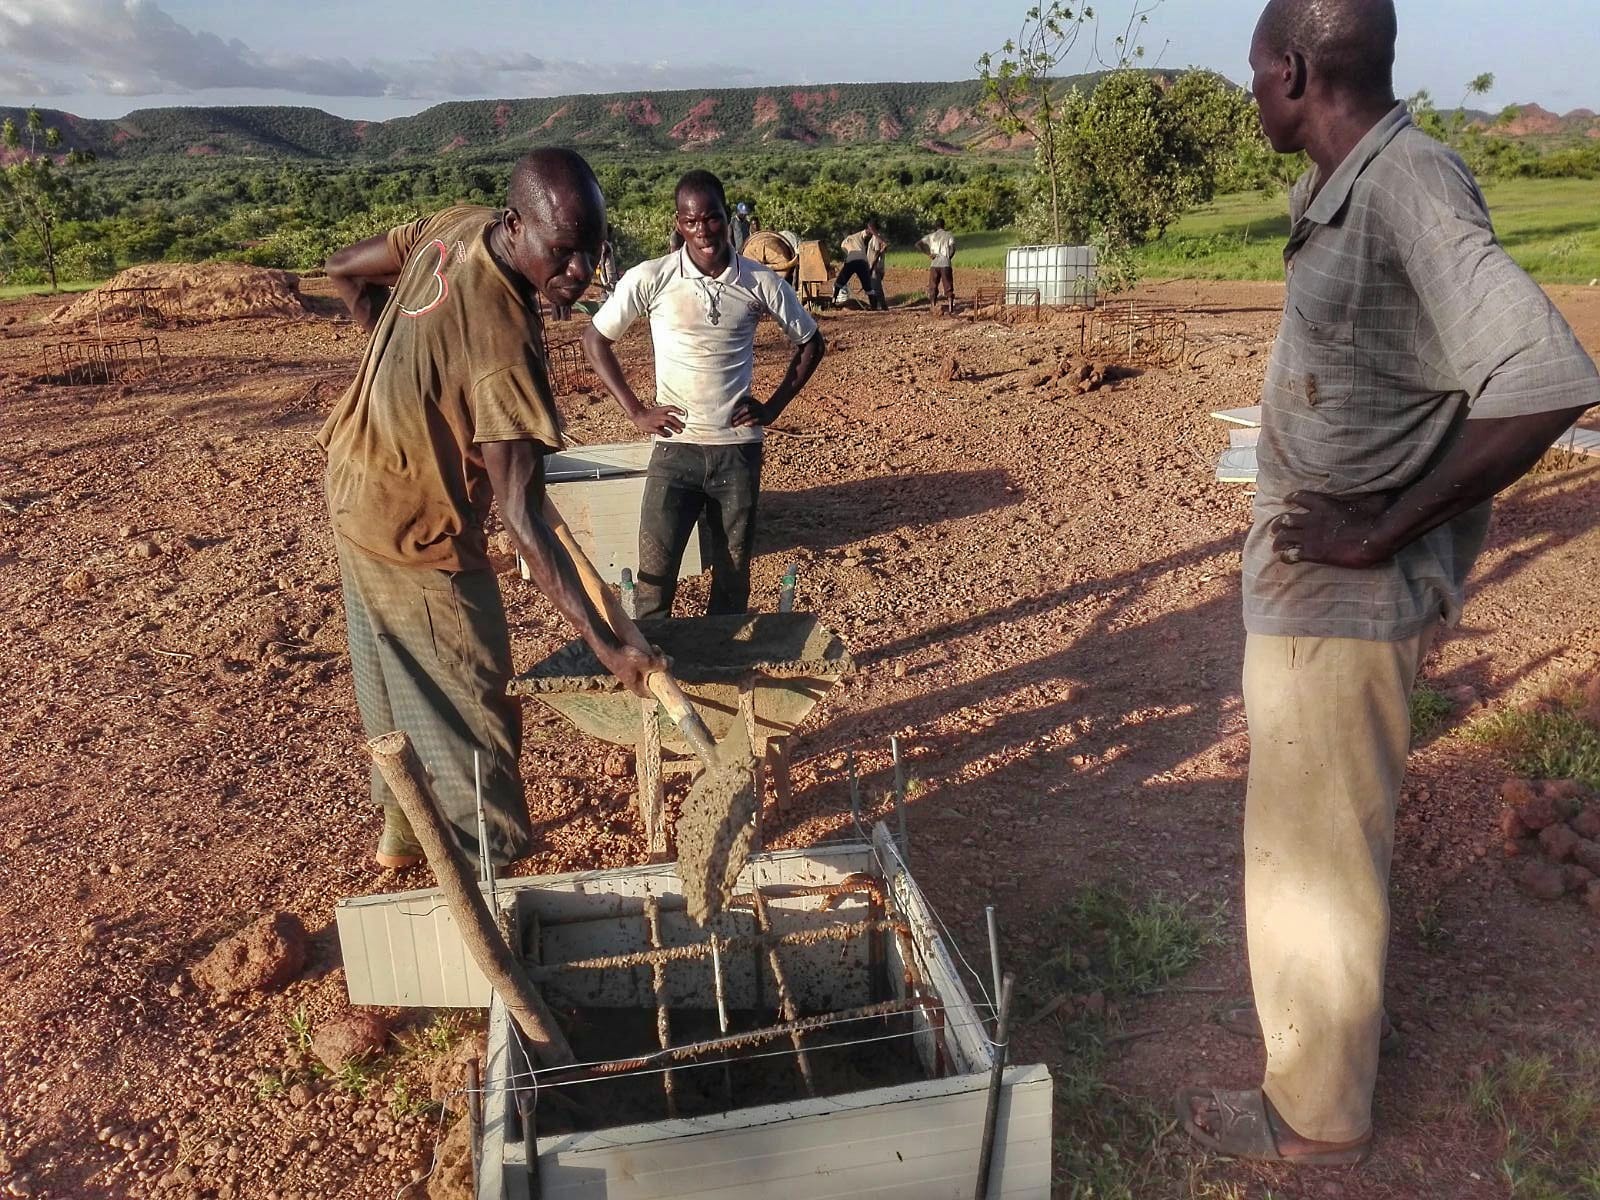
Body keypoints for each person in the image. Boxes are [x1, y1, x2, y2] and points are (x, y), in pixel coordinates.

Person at [1175, 0, 1599, 1166]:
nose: (1250, 89)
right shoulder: (1344, 188)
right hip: (1315, 605)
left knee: (1315, 859)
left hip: (1345, 609)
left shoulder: (1407, 183)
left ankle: (1311, 1120)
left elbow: (1546, 372)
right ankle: (1324, 1056)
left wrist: (1376, 528)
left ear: (1296, 68)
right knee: (1305, 845)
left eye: (1255, 69)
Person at [318, 149, 662, 871]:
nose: (580, 274)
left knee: (391, 679)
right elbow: (522, 518)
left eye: (592, 253)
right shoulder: (504, 348)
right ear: (516, 225)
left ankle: (406, 833)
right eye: (562, 254)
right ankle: (491, 871)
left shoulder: (454, 228)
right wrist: (609, 648)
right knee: (476, 709)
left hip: (353, 479)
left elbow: (343, 267)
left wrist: (403, 368)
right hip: (416, 525)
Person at [582, 170, 826, 620]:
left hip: (737, 454)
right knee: (655, 578)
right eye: (691, 222)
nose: (703, 232)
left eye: (711, 218)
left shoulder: (759, 281)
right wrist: (637, 411)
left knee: (732, 580)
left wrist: (771, 408)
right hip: (674, 452)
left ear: (726, 217)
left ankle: (723, 671)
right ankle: (658, 679)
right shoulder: (651, 277)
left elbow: (811, 343)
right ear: (679, 223)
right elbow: (595, 340)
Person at [833, 219, 888, 310]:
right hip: (863, 262)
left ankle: (833, 301)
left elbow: (848, 253)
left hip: (851, 262)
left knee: (839, 282)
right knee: (868, 287)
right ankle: (874, 306)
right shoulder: (860, 235)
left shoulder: (843, 243)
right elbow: (869, 228)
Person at [916, 218, 956, 310]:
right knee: (948, 285)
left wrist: (928, 254)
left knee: (933, 285)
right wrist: (948, 257)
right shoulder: (949, 235)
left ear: (935, 226)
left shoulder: (931, 236)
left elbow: (918, 244)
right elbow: (953, 248)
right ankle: (950, 307)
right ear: (944, 225)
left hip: (934, 263)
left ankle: (933, 306)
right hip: (945, 263)